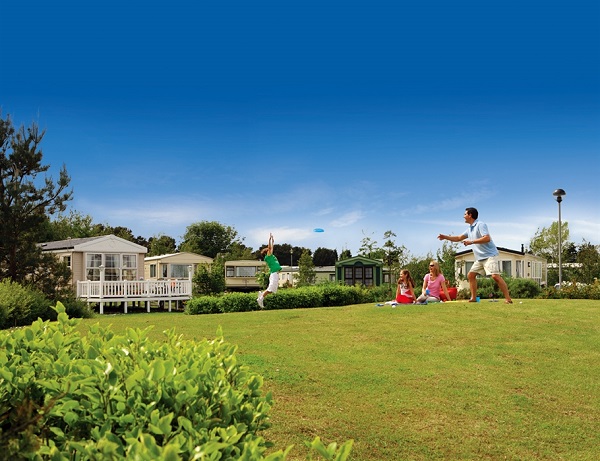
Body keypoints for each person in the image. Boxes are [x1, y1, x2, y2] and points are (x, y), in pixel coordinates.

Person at [438, 207, 513, 304]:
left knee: (495, 276)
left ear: (470, 215)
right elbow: (459, 238)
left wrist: (471, 242)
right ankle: (473, 298)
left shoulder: (480, 225)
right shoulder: (469, 229)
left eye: (465, 214)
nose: (463, 216)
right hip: (480, 258)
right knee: (471, 275)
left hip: (490, 256)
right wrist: (445, 237)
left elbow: (487, 238)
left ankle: (508, 299)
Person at [257, 233, 282, 308]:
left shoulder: (271, 256)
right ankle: (260, 298)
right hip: (274, 273)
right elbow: (270, 247)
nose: (270, 250)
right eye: (268, 250)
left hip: (275, 274)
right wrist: (269, 239)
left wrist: (273, 242)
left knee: (272, 290)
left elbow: (271, 248)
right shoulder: (267, 257)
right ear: (266, 253)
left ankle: (261, 295)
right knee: (270, 289)